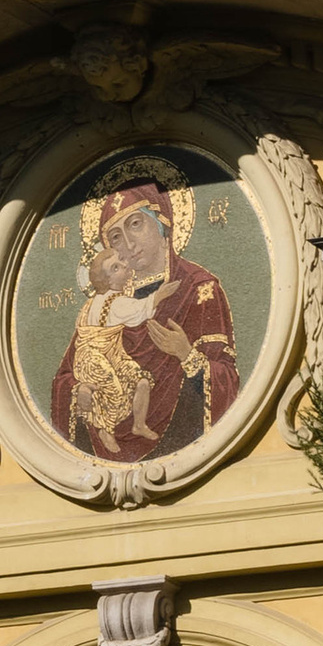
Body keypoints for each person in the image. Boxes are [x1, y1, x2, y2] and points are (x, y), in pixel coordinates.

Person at [48, 177, 240, 463]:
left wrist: (187, 355)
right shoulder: (105, 305)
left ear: (161, 221)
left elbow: (227, 379)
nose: (128, 243)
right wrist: (80, 392)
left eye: (135, 224)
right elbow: (66, 376)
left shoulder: (198, 288)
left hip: (185, 448)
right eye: (115, 237)